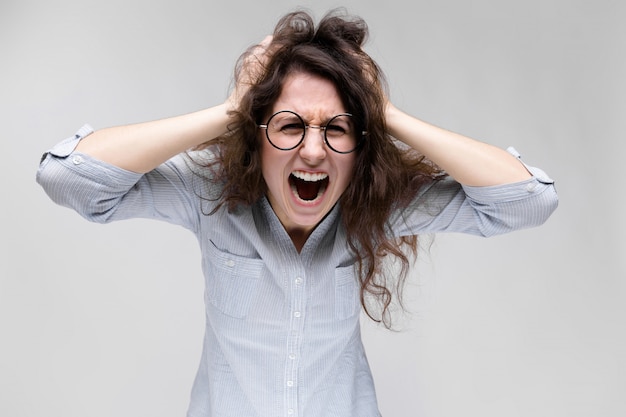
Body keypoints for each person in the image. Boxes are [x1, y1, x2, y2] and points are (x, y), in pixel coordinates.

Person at [36, 9, 558, 417]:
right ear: (256, 137)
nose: (313, 151)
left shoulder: (372, 204)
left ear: (359, 145)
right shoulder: (209, 195)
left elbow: (528, 201)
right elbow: (68, 178)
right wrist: (230, 107)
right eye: (289, 125)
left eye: (336, 128)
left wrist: (388, 113)